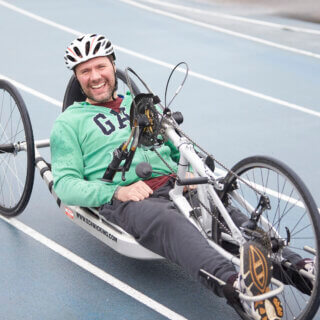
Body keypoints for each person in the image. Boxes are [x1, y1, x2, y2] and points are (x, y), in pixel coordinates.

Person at [51, 33, 312, 320]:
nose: (95, 76)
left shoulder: (139, 106)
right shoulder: (68, 123)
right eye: (85, 71)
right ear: (77, 78)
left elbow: (175, 149)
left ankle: (302, 269)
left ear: (113, 66)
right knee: (171, 224)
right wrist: (116, 193)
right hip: (131, 198)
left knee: (229, 217)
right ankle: (237, 288)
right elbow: (64, 184)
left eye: (100, 67)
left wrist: (195, 168)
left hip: (176, 183)